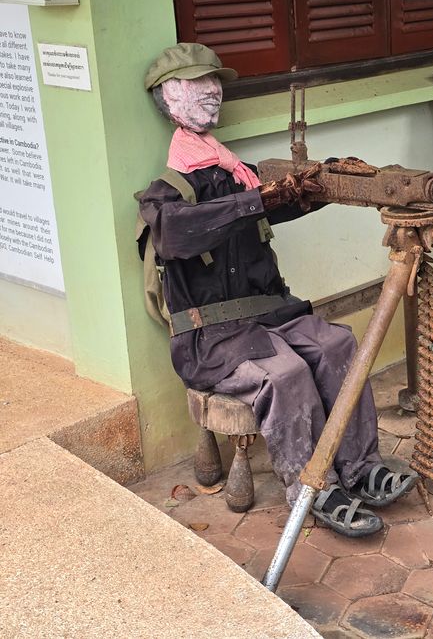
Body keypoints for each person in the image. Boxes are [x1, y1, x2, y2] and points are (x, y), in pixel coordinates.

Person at [137, 43, 417, 538]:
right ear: (170, 97)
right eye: (200, 84)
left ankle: (361, 468)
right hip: (214, 340)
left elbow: (278, 202)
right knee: (286, 374)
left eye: (215, 83)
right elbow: (179, 233)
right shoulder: (167, 195)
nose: (214, 92)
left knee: (338, 346)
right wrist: (257, 200)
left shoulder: (235, 173)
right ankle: (313, 489)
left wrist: (322, 182)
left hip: (271, 317)